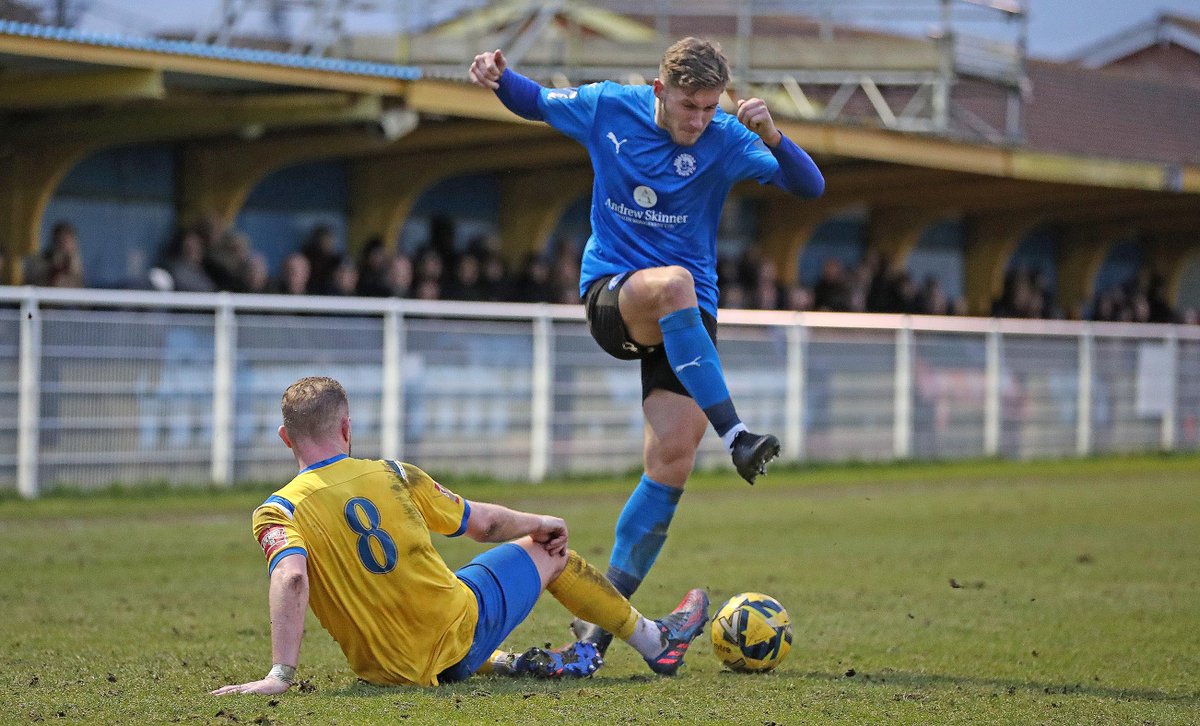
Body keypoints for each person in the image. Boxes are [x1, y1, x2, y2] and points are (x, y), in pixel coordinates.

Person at [469, 37, 824, 651]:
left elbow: (810, 187)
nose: (700, 120)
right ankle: (737, 434)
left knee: (671, 464)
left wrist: (774, 137)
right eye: (690, 106)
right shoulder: (610, 106)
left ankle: (597, 631)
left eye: (711, 108)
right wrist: (499, 77)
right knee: (674, 283)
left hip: (687, 319)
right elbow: (536, 102)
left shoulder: (728, 137)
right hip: (616, 294)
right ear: (660, 91)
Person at [211, 376, 709, 694]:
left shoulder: (275, 511)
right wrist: (539, 523)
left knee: (443, 589)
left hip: (384, 670)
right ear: (346, 427)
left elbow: (293, 578)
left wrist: (280, 675)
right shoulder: (391, 473)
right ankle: (655, 642)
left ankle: (516, 664)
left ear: (285, 437)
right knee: (547, 551)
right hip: (456, 637)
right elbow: (483, 524)